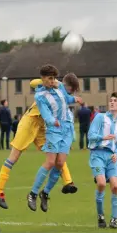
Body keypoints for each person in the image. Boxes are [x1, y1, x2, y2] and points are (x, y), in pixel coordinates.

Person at [0, 72, 80, 210]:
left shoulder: (62, 94)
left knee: (55, 155)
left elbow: (67, 101)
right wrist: (50, 81)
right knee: (14, 157)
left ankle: (67, 182)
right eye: (51, 79)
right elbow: (32, 83)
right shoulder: (48, 87)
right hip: (28, 124)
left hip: (42, 127)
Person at [27, 65, 82, 212]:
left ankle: (45, 193)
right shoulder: (40, 96)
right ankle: (32, 194)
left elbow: (66, 98)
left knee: (60, 163)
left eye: (54, 78)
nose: (53, 81)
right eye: (50, 78)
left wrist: (75, 99)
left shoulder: (59, 86)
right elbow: (45, 114)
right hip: (54, 130)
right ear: (43, 78)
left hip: (67, 129)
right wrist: (53, 121)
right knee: (50, 162)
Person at [88, 92, 117, 229]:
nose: (112, 102)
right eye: (110, 100)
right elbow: (90, 136)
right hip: (97, 154)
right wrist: (103, 138)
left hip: (112, 158)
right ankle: (100, 215)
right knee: (102, 184)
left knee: (115, 186)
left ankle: (114, 219)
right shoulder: (100, 117)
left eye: (115, 101)